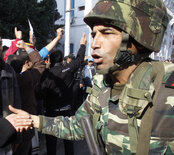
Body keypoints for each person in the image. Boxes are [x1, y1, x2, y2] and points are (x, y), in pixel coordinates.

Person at [10, 0, 174, 154]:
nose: (94, 43)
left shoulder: (166, 84)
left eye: (107, 33)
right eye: (94, 34)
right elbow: (78, 126)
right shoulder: (102, 85)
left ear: (137, 40)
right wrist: (34, 120)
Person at [36, 33, 86, 155]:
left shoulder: (47, 75)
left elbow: (40, 94)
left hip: (51, 113)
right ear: (62, 59)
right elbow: (79, 60)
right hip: (67, 112)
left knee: (51, 143)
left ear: (50, 60)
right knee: (68, 140)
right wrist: (82, 45)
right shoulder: (67, 69)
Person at [6, 40, 46, 155]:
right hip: (25, 125)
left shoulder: (1, 80)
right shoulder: (27, 78)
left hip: (8, 127)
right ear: (24, 64)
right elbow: (40, 64)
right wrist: (26, 47)